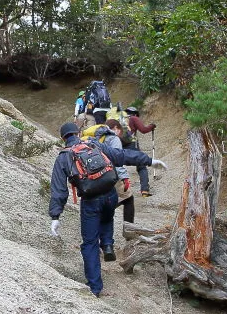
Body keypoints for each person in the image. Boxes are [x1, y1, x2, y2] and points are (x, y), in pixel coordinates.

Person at [49, 122, 167, 297]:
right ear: (79, 132)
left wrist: (55, 216)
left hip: (90, 200)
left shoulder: (63, 157)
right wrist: (149, 161)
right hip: (110, 194)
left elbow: (59, 190)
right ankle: (108, 244)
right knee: (106, 217)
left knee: (89, 243)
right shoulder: (94, 144)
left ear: (62, 139)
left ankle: (95, 288)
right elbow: (121, 155)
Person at [102, 119, 135, 226]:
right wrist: (124, 177)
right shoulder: (114, 139)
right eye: (120, 131)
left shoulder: (99, 137)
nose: (120, 134)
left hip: (100, 175)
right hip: (112, 174)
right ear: (116, 128)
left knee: (110, 198)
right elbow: (117, 160)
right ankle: (129, 230)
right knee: (128, 198)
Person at [124, 106, 156, 197]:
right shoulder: (134, 118)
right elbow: (144, 130)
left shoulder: (120, 119)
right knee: (142, 166)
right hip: (131, 146)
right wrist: (152, 126)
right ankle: (144, 190)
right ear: (135, 114)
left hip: (118, 147)